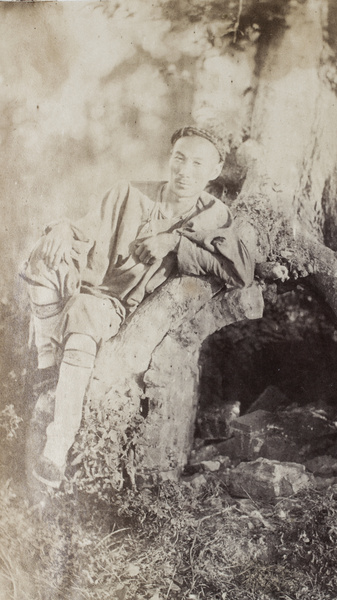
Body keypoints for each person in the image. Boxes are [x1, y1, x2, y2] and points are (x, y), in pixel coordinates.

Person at [22, 125, 254, 489]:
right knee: (44, 256)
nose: (185, 171)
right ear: (169, 159)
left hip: (128, 313)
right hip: (95, 293)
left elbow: (240, 270)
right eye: (179, 159)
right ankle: (47, 364)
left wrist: (176, 243)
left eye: (197, 163)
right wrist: (62, 230)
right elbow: (83, 231)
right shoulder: (129, 192)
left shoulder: (213, 215)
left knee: (84, 318)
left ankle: (57, 445)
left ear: (214, 170)